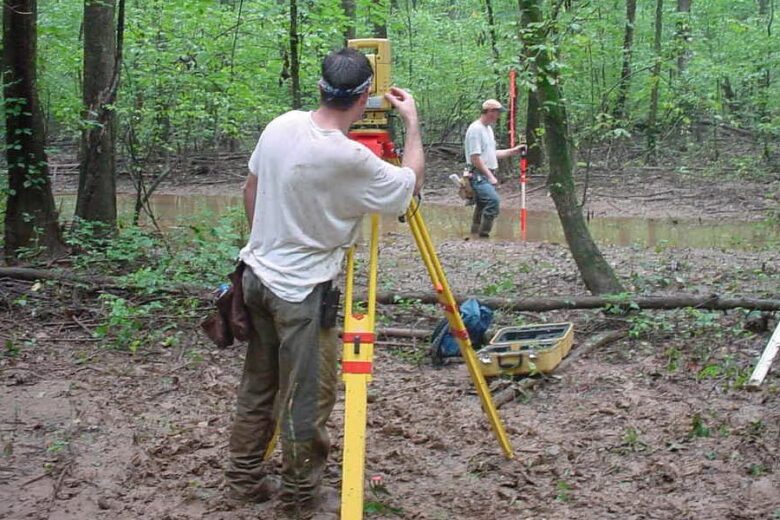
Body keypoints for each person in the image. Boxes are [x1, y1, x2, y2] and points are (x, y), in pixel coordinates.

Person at [225, 47, 424, 520]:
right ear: (364, 98)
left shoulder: (281, 125)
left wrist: (268, 239)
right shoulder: (351, 159)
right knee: (306, 402)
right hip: (301, 296)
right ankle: (298, 500)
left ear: (320, 88)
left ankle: (243, 479)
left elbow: (248, 188)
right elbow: (410, 185)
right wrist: (413, 122)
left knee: (259, 386)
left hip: (254, 279)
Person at [464, 99, 525, 237]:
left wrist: (513, 151)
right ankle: (483, 234)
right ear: (490, 112)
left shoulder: (488, 130)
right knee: (493, 202)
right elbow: (475, 157)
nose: (499, 116)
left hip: (485, 173)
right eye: (498, 112)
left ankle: (475, 234)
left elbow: (491, 154)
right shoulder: (475, 129)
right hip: (478, 174)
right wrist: (490, 176)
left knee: (482, 204)